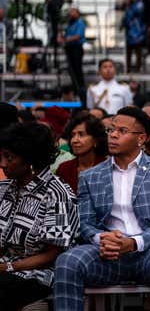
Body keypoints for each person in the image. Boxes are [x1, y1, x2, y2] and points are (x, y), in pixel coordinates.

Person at [54, 106, 150, 311]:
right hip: (106, 254)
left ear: (141, 138)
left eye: (122, 131)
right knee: (68, 261)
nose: (113, 135)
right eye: (111, 130)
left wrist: (133, 243)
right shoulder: (91, 176)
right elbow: (84, 222)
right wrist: (103, 239)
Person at [0, 122, 79, 310]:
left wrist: (11, 267)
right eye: (1, 156)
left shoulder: (57, 194)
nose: (2, 164)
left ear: (30, 160)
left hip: (38, 275)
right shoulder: (4, 189)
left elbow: (54, 254)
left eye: (9, 157)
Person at [57, 112, 109, 193]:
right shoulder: (64, 168)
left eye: (81, 135)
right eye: (73, 135)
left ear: (96, 139)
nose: (75, 140)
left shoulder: (108, 168)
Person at [45, 0, 73, 70]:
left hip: (61, 17)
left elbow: (70, 2)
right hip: (52, 16)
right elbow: (47, 0)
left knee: (60, 32)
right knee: (52, 32)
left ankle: (60, 42)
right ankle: (52, 43)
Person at [59, 6, 86, 103]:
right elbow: (65, 35)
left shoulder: (80, 22)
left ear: (77, 13)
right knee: (72, 71)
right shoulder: (70, 23)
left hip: (76, 48)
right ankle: (75, 90)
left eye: (72, 11)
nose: (70, 13)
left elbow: (78, 36)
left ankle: (81, 91)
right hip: (69, 48)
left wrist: (66, 39)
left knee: (77, 69)